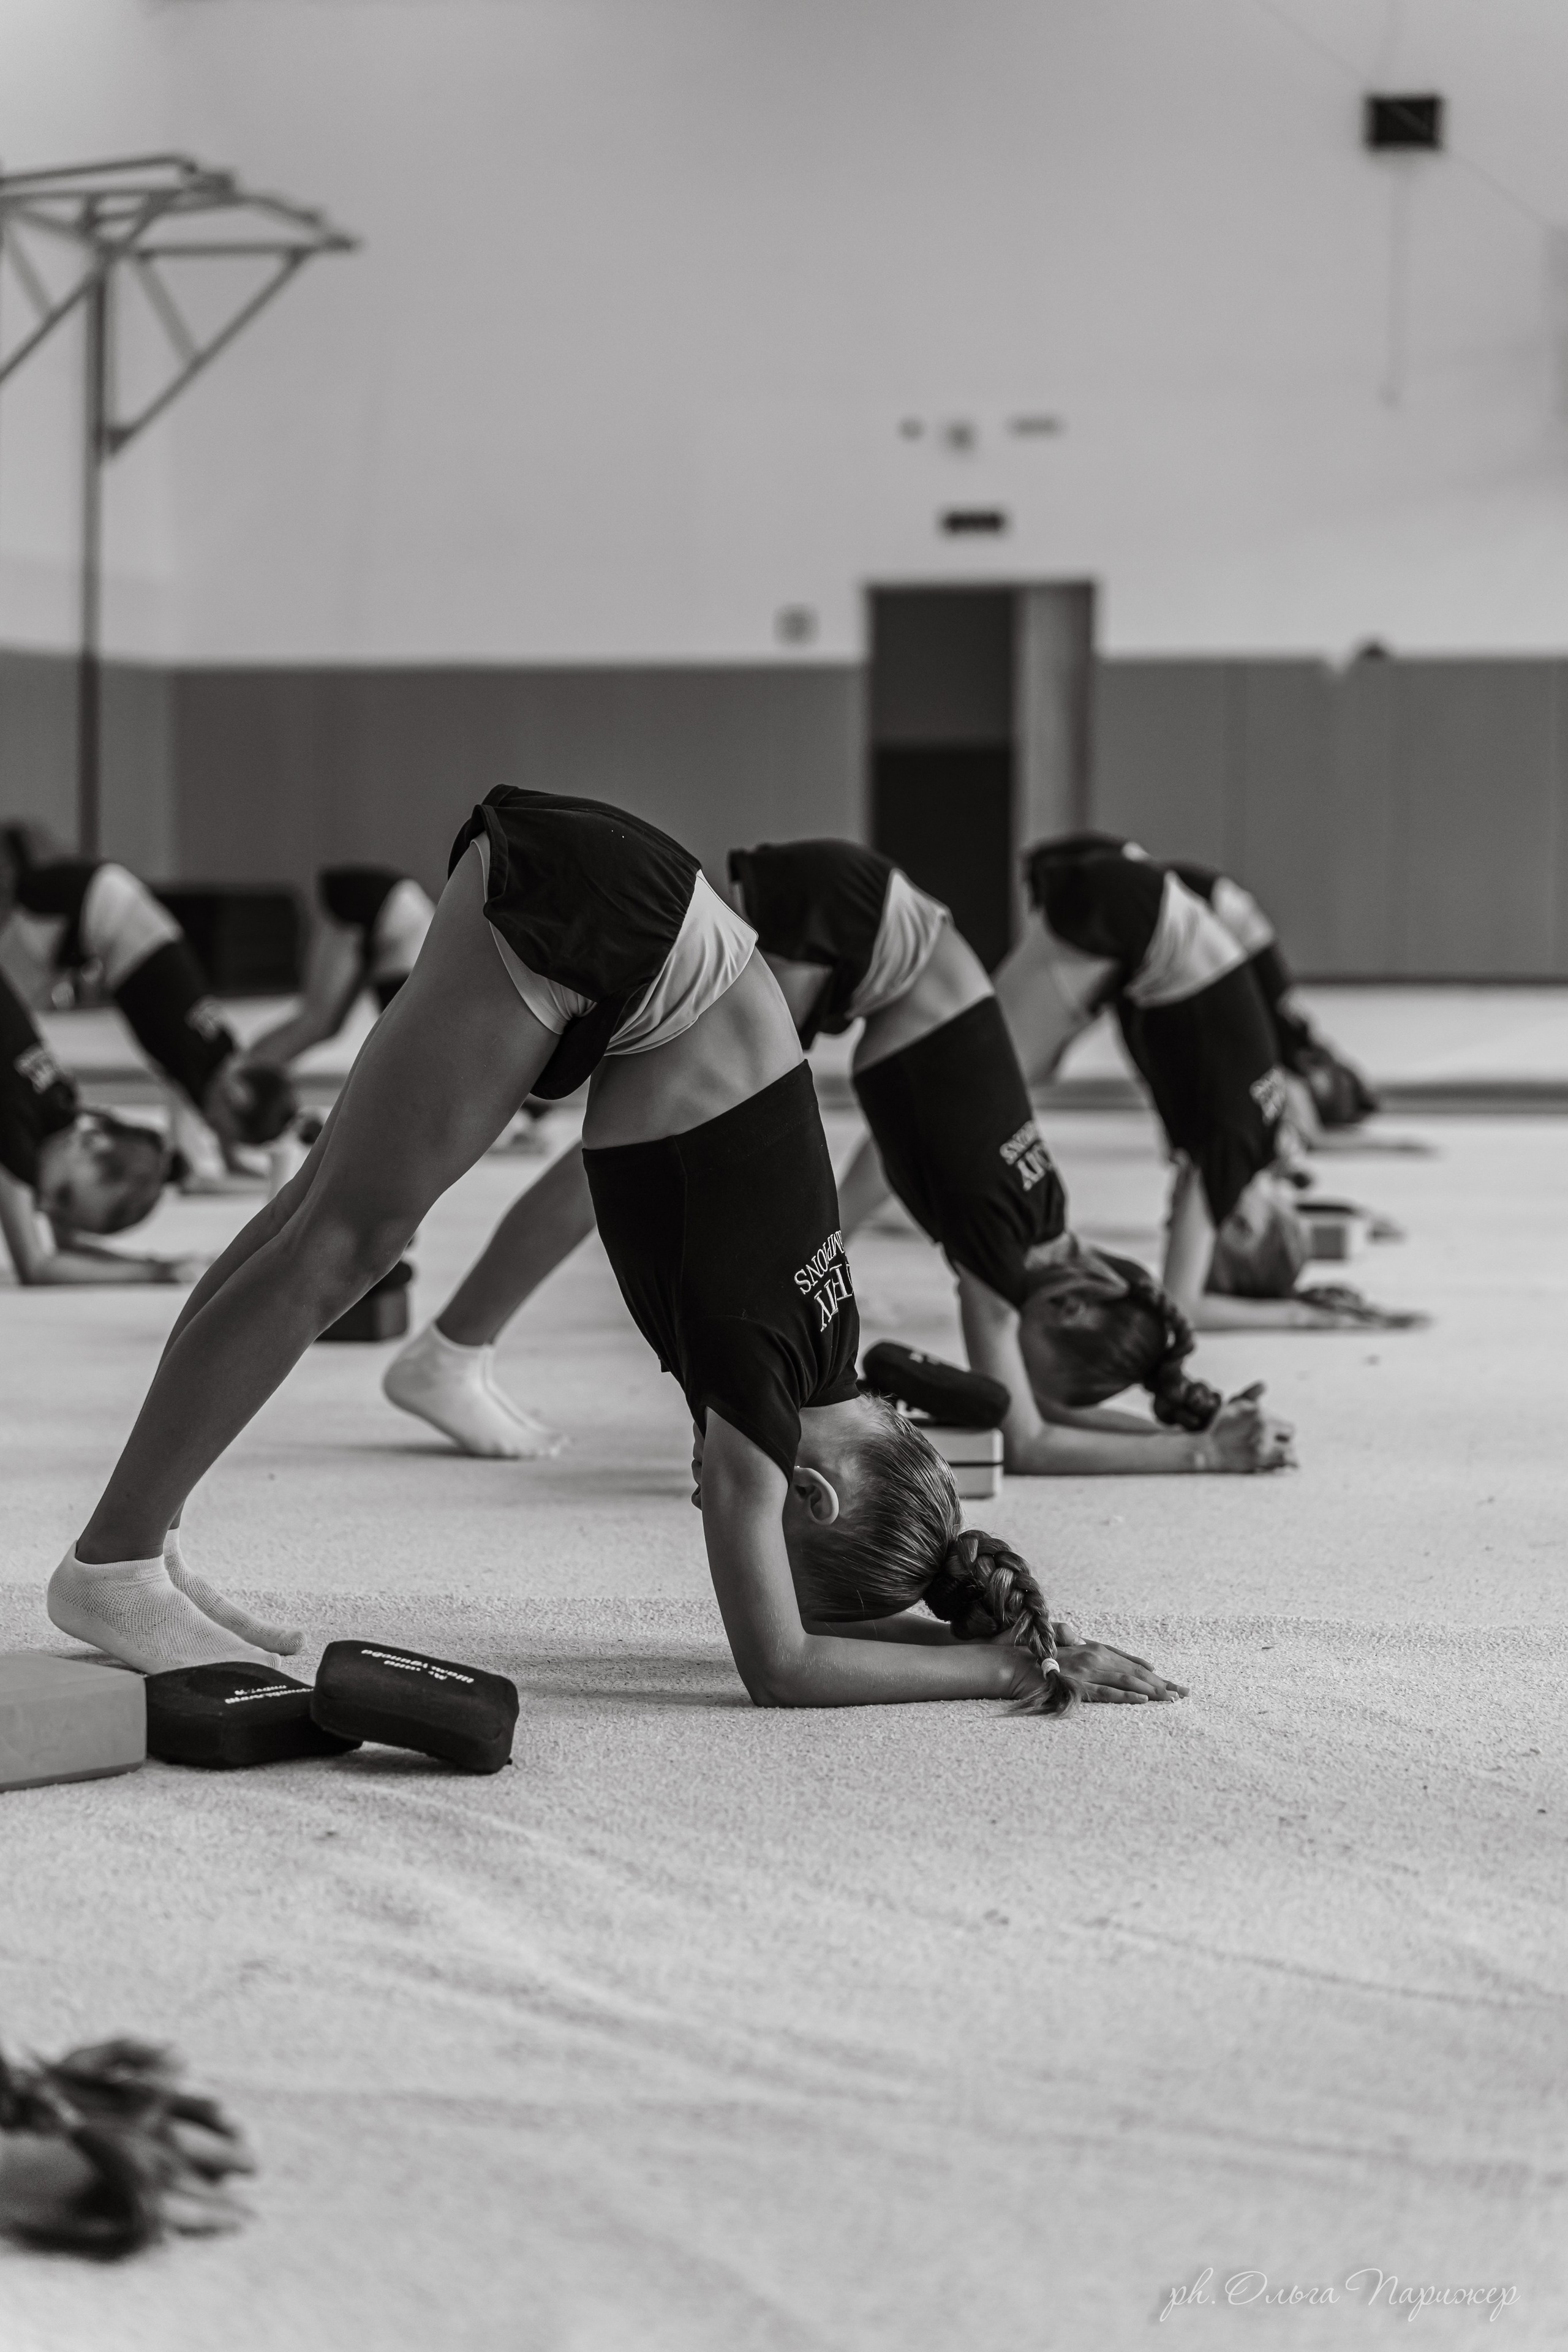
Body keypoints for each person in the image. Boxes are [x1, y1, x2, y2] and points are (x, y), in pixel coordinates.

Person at [47, 786, 1183, 1713]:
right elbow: (779, 1666)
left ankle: (144, 1537)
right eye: (749, 1536)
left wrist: (976, 1611)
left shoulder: (827, 1347)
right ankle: (116, 1562)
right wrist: (1004, 1665)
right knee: (343, 1245)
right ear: (814, 1497)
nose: (710, 1509)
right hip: (605, 926)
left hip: (633, 910)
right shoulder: (763, 1403)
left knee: (315, 1219)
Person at [383, 836, 1292, 1474]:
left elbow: (1038, 1407)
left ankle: (457, 1345)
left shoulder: (1047, 1224)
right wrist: (1199, 1449)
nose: (1008, 1343)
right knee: (631, 1157)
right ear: (1073, 1301)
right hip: (854, 931)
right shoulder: (1000, 1253)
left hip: (884, 926)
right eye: (1040, 1347)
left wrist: (1181, 1413)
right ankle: (453, 1346)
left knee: (669, 1148)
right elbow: (1031, 1435)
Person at [1001, 842, 1419, 1332]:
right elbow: (1182, 1306)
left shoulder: (1262, 1139)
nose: (1171, 1220)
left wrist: (1357, 1225)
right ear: (1239, 1229)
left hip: (1143, 910)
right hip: (1128, 911)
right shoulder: (1228, 1156)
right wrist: (1300, 1316)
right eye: (1180, 1228)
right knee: (975, 1078)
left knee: (1020, 1070)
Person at [1001, 833, 1378, 1131]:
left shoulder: (1282, 1021)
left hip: (1157, 910)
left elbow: (1142, 1029)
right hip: (1157, 907)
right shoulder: (1286, 1020)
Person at [0, 837, 296, 1172]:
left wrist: (230, 1158)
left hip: (108, 895)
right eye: (220, 1127)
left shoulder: (220, 1051)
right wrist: (199, 1166)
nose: (212, 1127)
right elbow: (188, 1095)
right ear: (235, 1096)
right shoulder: (192, 1055)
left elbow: (202, 1096)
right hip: (81, 898)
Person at [0, 968, 203, 1286]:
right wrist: (154, 1274)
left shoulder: (62, 1111)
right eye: (63, 1196)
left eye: (58, 1213)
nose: (42, 1205)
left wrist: (162, 1265)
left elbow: (66, 1247)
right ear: (91, 1142)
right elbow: (35, 1267)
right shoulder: (15, 1129)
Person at [239, 865, 435, 1068]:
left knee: (324, 1025)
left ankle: (248, 1071)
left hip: (395, 916)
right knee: (317, 1022)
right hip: (371, 904)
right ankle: (244, 1073)